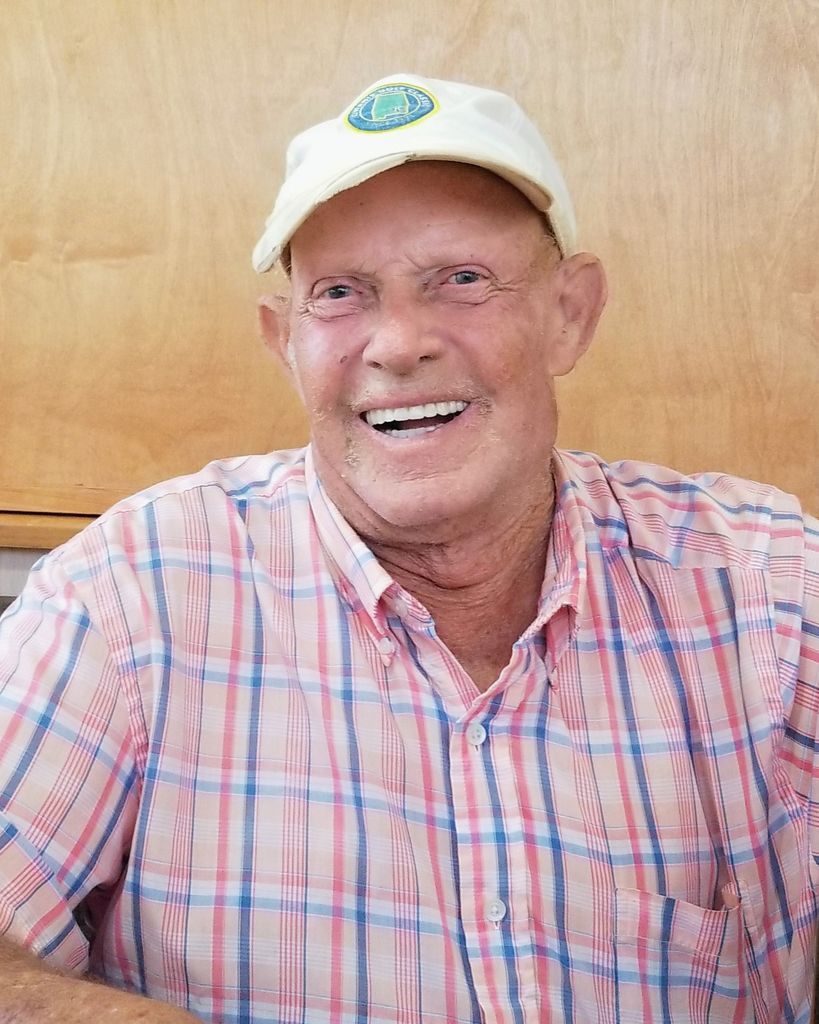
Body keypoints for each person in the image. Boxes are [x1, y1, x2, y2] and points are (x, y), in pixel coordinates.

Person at [0, 72, 816, 1024]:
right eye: (341, 294)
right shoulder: (128, 593)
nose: (397, 344)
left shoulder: (768, 587)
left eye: (460, 280)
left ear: (570, 312)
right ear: (283, 342)